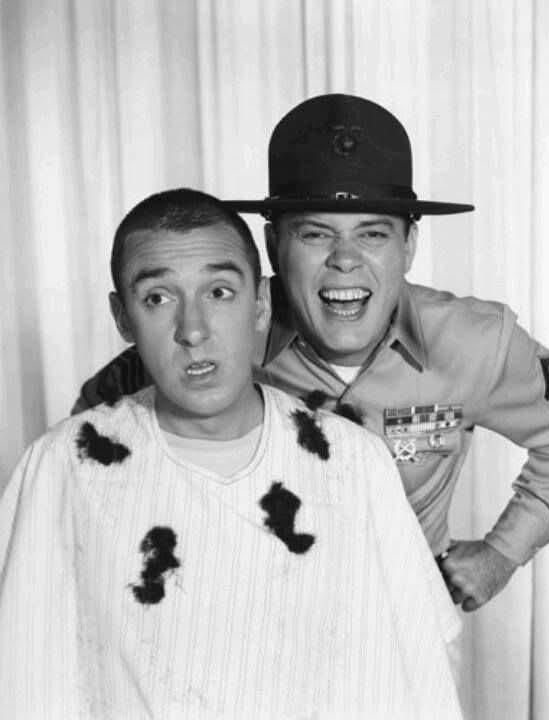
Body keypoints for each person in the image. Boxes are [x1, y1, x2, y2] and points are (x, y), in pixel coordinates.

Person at [73, 94, 549, 613]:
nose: (345, 260)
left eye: (372, 234)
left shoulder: (475, 342)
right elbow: (87, 446)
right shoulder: (216, 332)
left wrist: (502, 552)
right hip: (249, 625)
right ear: (273, 246)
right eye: (315, 234)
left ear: (408, 246)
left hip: (405, 626)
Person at [0, 188, 462, 719]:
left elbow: (423, 668)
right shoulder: (63, 467)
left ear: (261, 304)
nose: (193, 330)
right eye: (158, 298)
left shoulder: (352, 462)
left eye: (219, 292)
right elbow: (24, 679)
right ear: (122, 317)